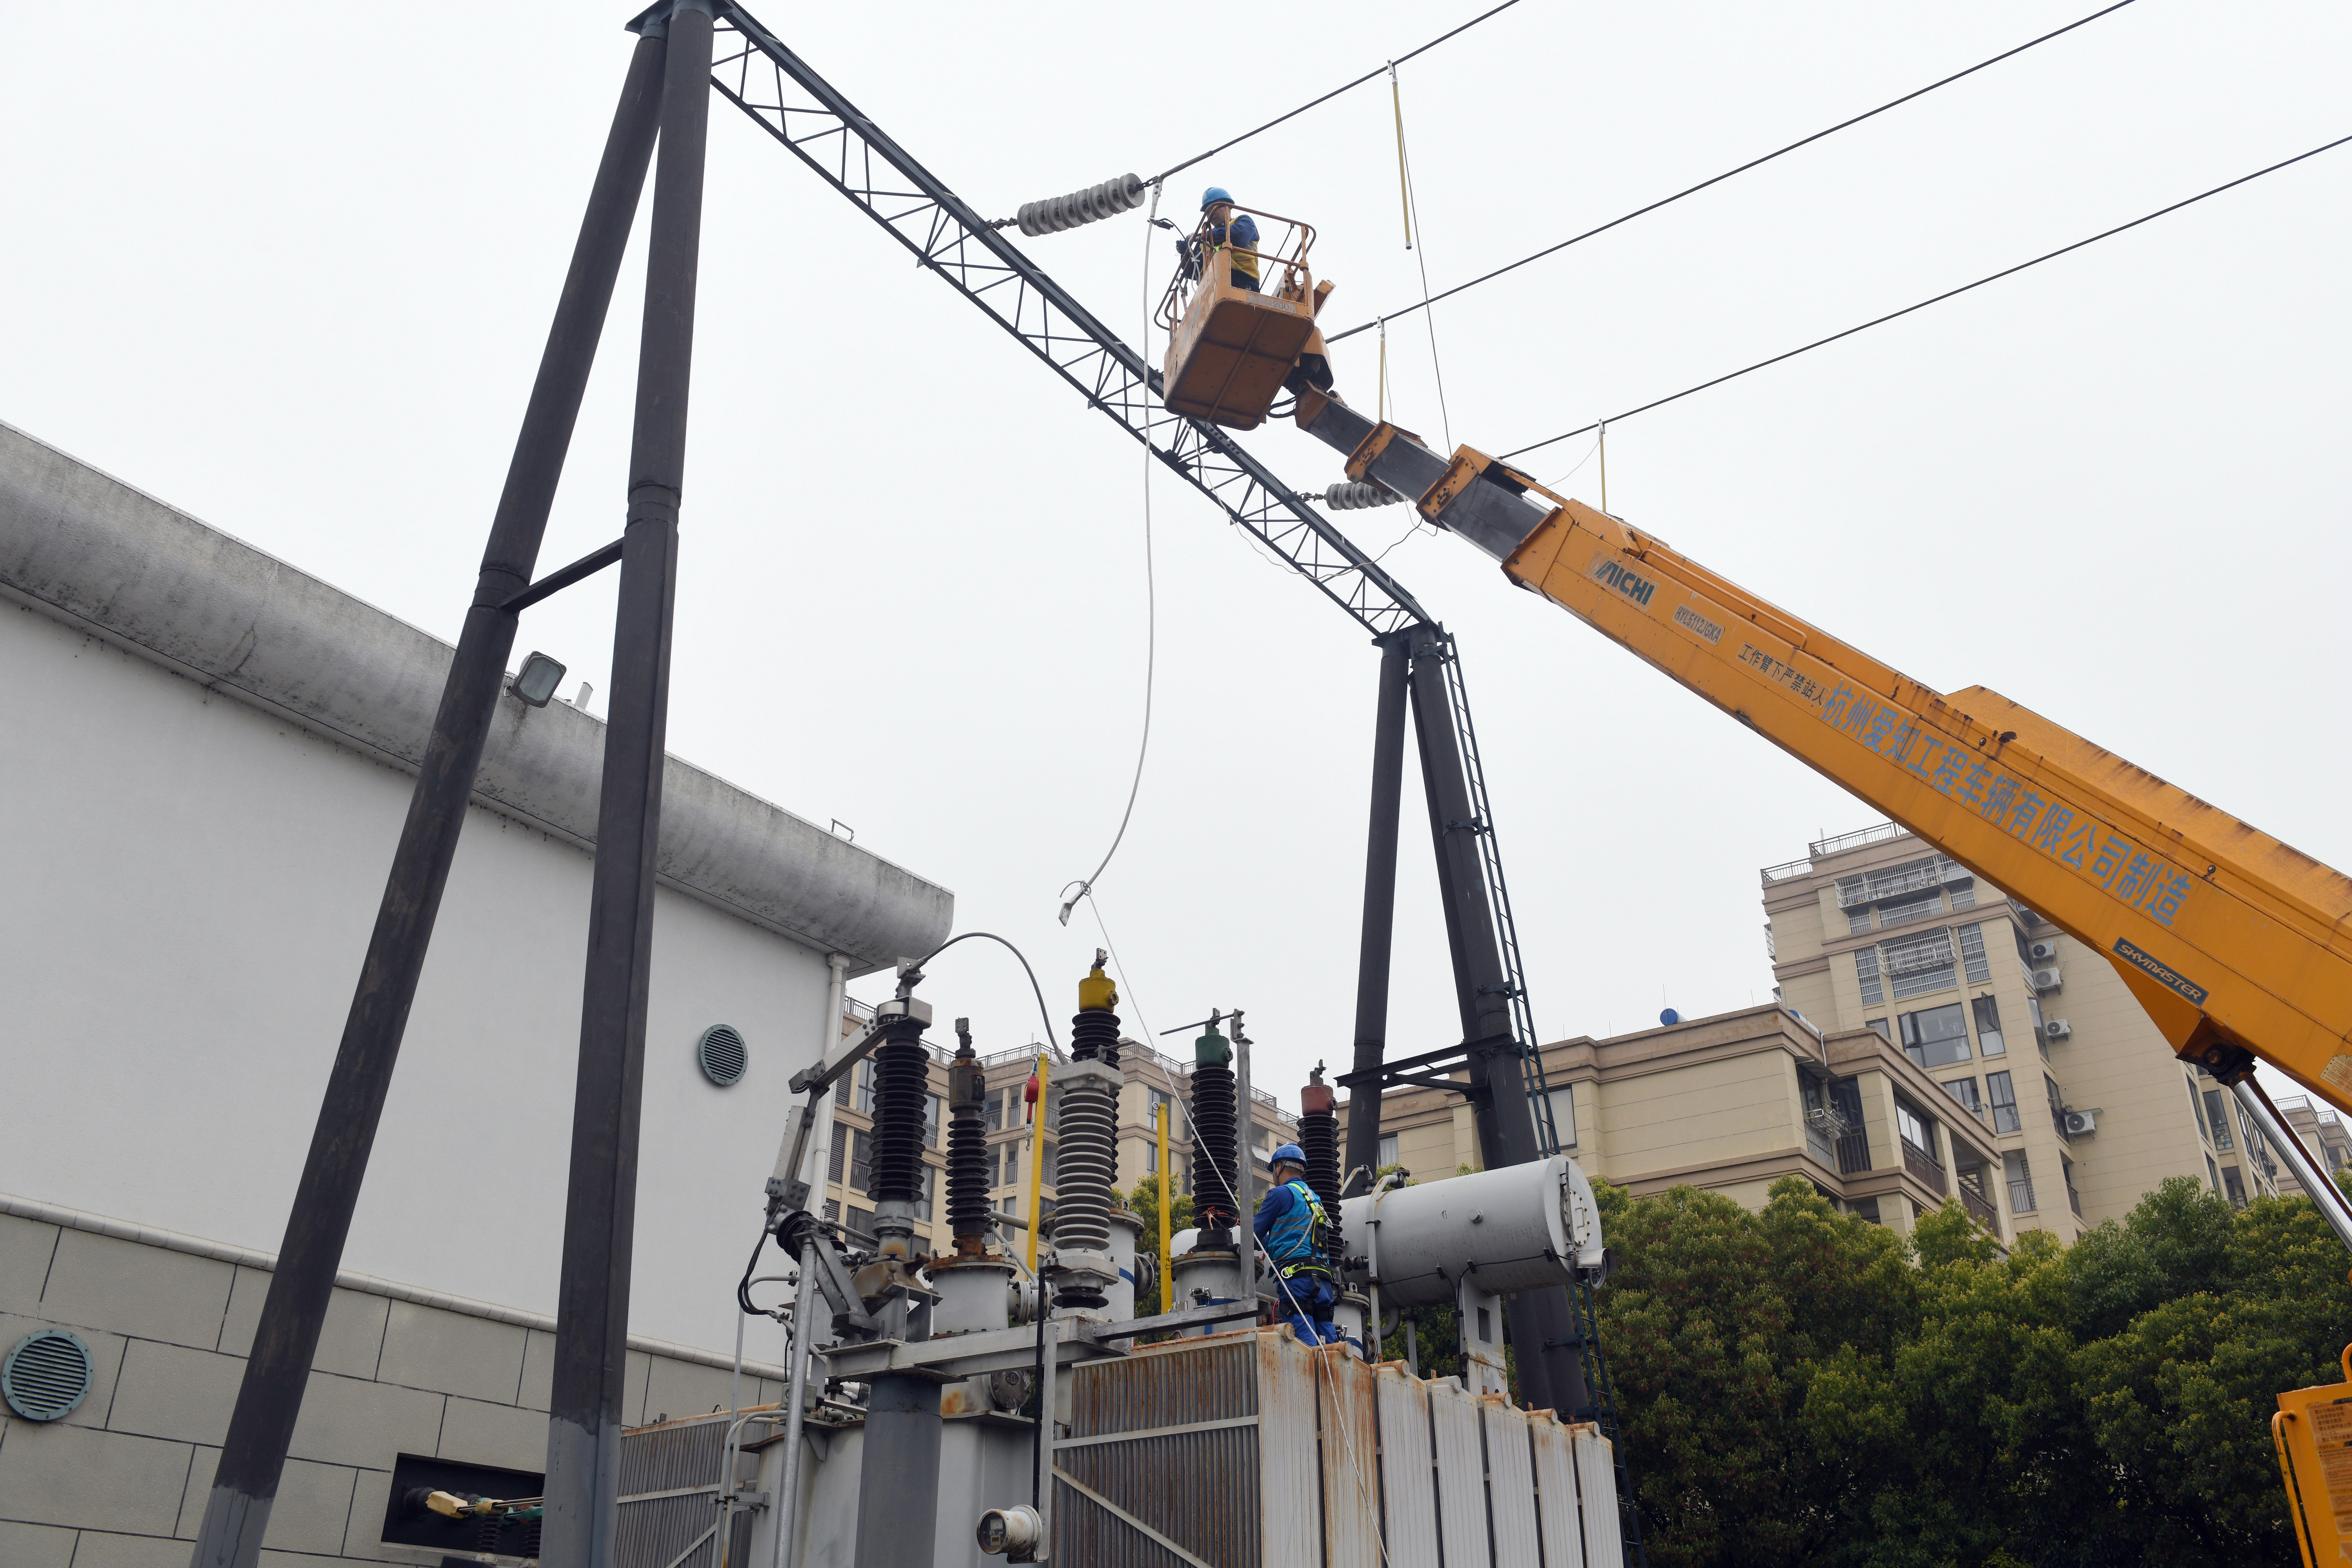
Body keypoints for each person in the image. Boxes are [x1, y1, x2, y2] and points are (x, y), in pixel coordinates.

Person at [1252, 1143, 1340, 1345]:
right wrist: (1266, 1243)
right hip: (1323, 1280)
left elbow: (1254, 1234)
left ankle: (1316, 1376)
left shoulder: (1279, 1194)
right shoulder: (1314, 1199)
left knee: (1305, 1344)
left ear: (1279, 1168)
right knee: (1329, 1343)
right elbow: (1290, 1240)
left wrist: (1240, 1249)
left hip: (1297, 1281)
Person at [1180, 185, 1260, 292]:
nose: (1210, 215)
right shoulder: (1203, 241)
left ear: (1228, 206)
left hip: (1243, 281)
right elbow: (1194, 271)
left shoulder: (1244, 222)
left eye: (1213, 208)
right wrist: (1186, 254)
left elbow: (1238, 236)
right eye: (1207, 212)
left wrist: (1204, 236)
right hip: (1210, 289)